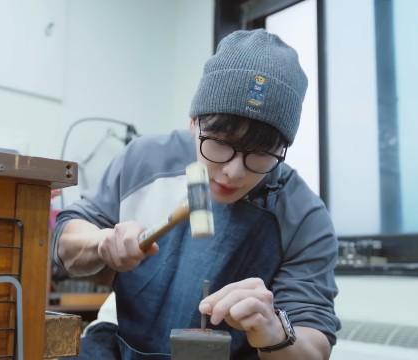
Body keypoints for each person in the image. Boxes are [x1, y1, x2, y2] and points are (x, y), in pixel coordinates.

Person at [53, 29, 340, 359]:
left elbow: (314, 345)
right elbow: (65, 237)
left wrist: (273, 332)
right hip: (122, 346)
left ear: (283, 149)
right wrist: (101, 243)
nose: (233, 171)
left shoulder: (304, 216)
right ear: (194, 122)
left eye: (260, 153)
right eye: (220, 142)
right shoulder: (143, 160)